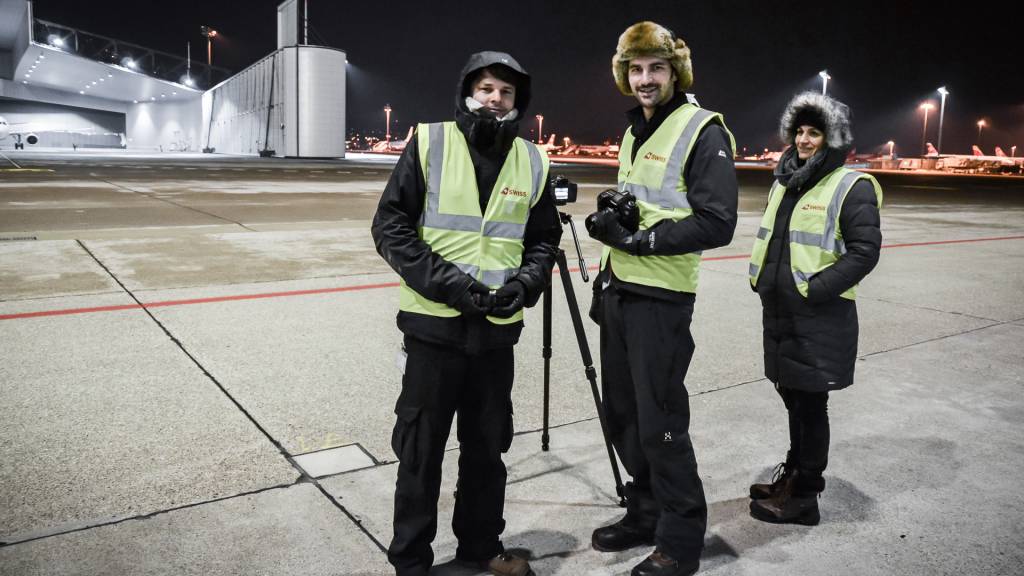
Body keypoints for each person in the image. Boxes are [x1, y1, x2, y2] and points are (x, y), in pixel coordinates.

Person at [370, 51, 562, 576]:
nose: (496, 99)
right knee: (420, 452)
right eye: (486, 88)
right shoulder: (430, 143)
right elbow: (390, 228)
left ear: (518, 100)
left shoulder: (533, 160)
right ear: (467, 92)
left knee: (487, 449)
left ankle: (481, 547)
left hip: (496, 334)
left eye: (506, 91)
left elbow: (544, 239)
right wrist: (452, 285)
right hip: (434, 329)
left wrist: (525, 284)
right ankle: (411, 561)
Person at [585, 21, 738, 576]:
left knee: (662, 423)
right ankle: (645, 510)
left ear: (676, 72)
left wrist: (640, 240)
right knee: (623, 415)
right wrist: (614, 225)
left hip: (662, 298)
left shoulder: (703, 130)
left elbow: (718, 222)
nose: (645, 79)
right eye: (635, 69)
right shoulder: (635, 132)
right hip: (620, 290)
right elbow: (645, 204)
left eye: (656, 68)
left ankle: (681, 540)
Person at [747, 91, 882, 525]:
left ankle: (805, 495)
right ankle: (793, 476)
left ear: (834, 138)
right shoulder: (787, 182)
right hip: (781, 312)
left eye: (815, 133)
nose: (804, 140)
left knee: (810, 403)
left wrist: (813, 290)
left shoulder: (850, 186)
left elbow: (864, 252)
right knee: (792, 396)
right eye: (800, 131)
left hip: (819, 315)